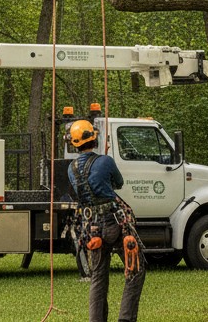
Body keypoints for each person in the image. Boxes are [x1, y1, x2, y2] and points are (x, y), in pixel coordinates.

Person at [66, 118, 146, 322]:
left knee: (98, 276)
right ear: (94, 139)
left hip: (91, 227)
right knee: (135, 268)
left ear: (74, 144)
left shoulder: (71, 168)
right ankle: (125, 319)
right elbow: (118, 183)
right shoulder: (105, 161)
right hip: (114, 223)